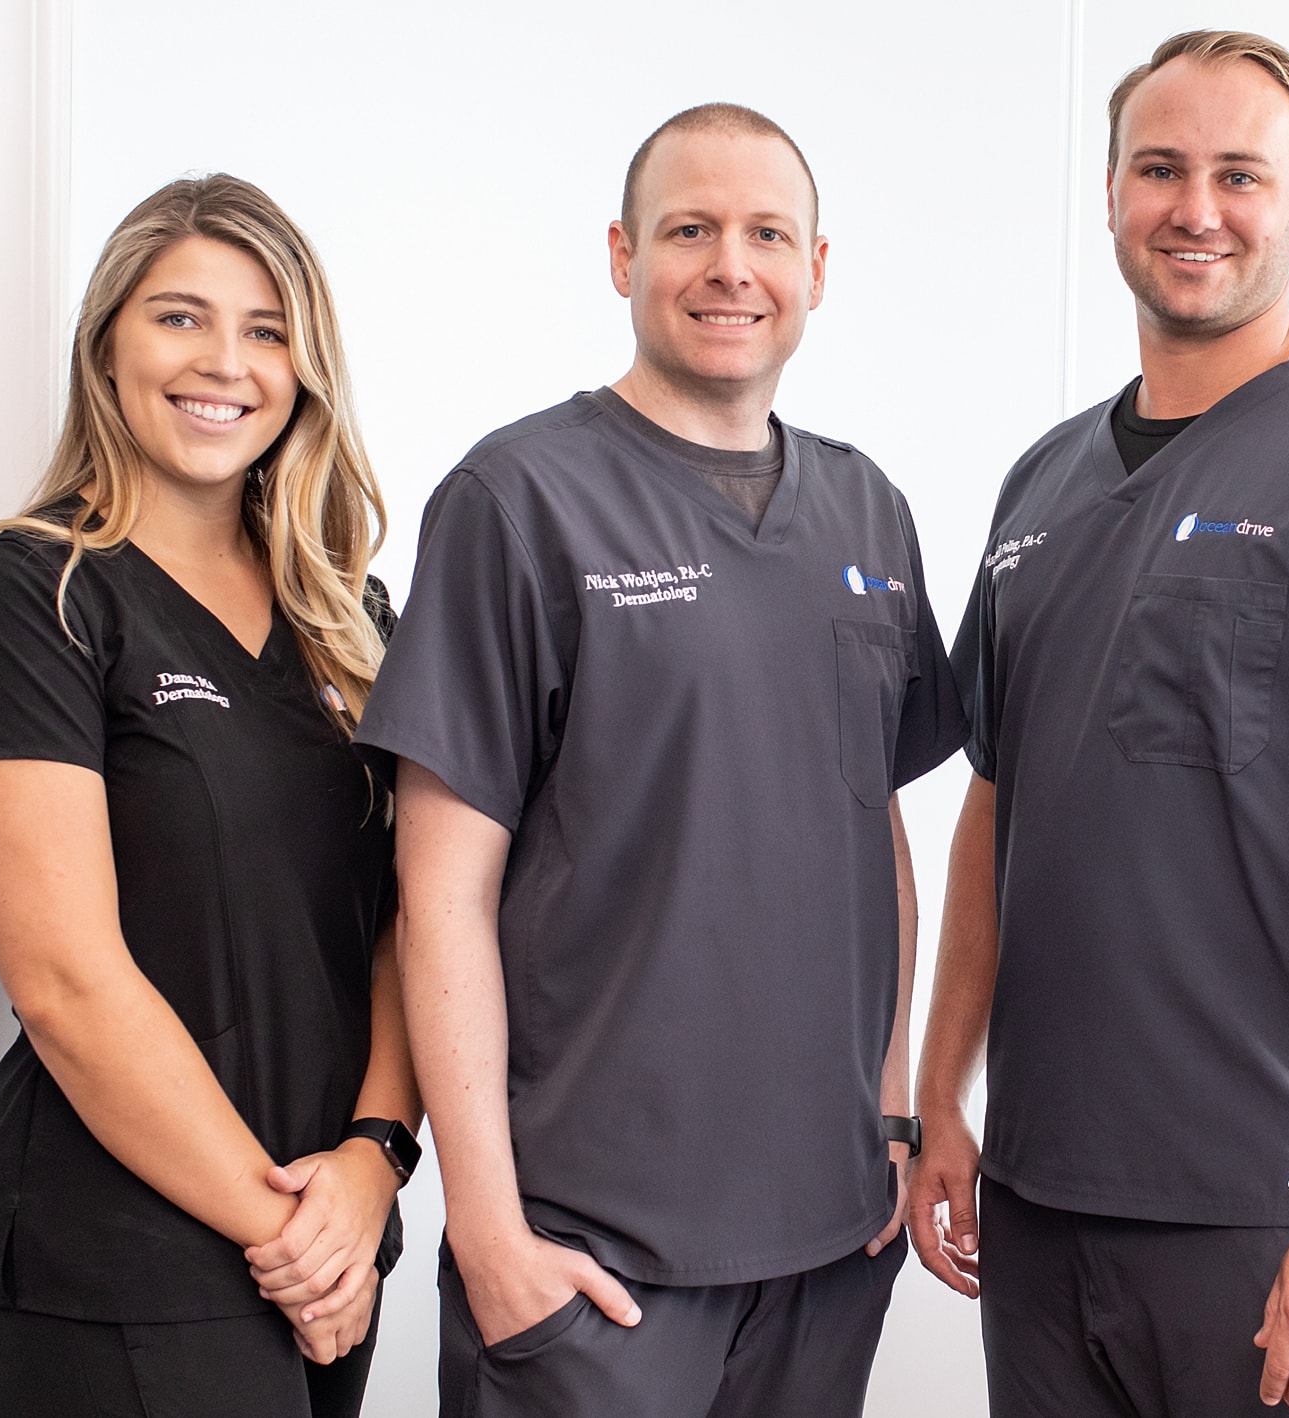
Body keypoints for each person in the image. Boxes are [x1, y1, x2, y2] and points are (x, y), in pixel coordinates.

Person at [910, 30, 1289, 1418]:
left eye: (1239, 175)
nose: (1195, 208)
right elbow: (997, 810)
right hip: (1044, 1197)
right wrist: (938, 1089)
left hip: (1281, 1209)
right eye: (1159, 169)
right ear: (1111, 194)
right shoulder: (1040, 486)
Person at [356, 102, 962, 1418]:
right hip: (593, 1247)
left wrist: (892, 1109)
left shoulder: (867, 509)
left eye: (766, 235)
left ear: (816, 269)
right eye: (690, 230)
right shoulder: (517, 500)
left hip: (829, 1232)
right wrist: (487, 1228)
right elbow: (439, 891)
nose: (730, 267)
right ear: (623, 255)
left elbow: (872, 824)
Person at [0, 174, 421, 1418]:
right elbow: (66, 982)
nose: (223, 362)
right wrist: (289, 1233)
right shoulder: (26, 601)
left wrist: (374, 1159)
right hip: (121, 1261)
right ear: (107, 345)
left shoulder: (352, 620)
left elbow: (414, 922)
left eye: (266, 329)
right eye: (179, 316)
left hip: (335, 1228)